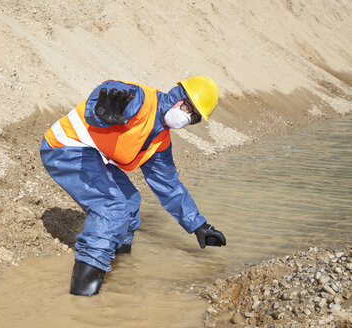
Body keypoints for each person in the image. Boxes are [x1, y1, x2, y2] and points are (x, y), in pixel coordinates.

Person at [40, 76, 227, 296]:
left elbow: (169, 186)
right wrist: (101, 111)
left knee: (130, 203)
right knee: (112, 207)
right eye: (187, 106)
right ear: (177, 95)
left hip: (96, 155)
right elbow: (109, 92)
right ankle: (82, 295)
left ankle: (121, 268)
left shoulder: (160, 140)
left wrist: (198, 226)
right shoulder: (141, 101)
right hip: (66, 147)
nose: (186, 116)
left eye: (193, 116)